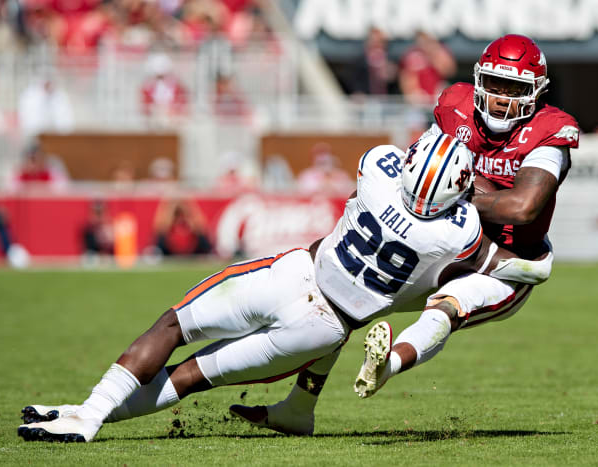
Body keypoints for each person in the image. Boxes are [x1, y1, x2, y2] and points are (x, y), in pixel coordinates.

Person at [17, 133, 511, 442]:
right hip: (323, 331)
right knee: (190, 376)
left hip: (294, 276)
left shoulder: (380, 168)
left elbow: (398, 156)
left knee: (173, 325)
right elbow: (473, 222)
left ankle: (89, 414)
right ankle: (86, 416)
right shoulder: (457, 231)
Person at [232, 34, 579, 429]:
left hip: (505, 262)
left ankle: (388, 366)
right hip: (443, 246)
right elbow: (417, 171)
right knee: (344, 297)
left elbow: (522, 207)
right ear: (479, 80)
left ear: (536, 93)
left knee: (446, 307)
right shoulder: (456, 106)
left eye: (514, 88)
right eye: (495, 85)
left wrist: (453, 193)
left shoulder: (550, 133)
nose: (501, 98)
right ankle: (298, 408)